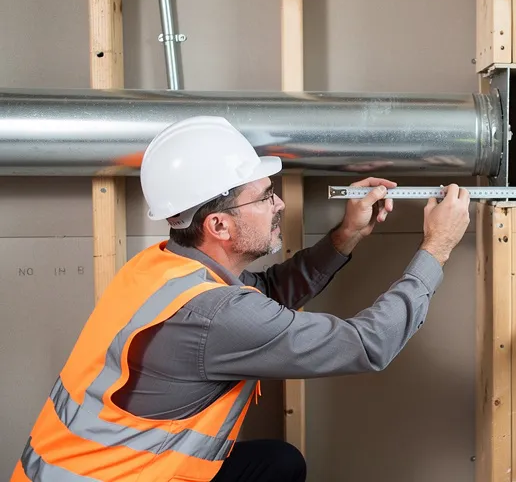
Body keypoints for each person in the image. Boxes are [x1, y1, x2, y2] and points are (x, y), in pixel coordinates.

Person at [11, 116, 472, 482]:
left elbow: (263, 296)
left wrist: (346, 235)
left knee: (277, 463)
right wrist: (437, 247)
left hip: (83, 472)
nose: (280, 206)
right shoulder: (214, 315)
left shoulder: (161, 267)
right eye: (265, 196)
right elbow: (368, 345)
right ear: (218, 225)